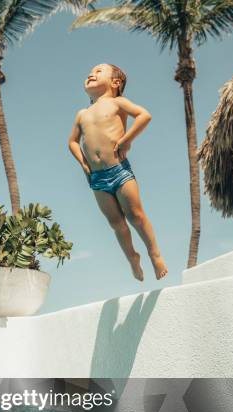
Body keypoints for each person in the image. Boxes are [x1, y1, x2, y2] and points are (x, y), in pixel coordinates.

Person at [68, 63, 168, 281]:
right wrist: (84, 164)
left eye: (98, 71)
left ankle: (154, 253)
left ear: (115, 82)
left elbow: (144, 116)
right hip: (97, 179)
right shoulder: (82, 114)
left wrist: (126, 140)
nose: (91, 74)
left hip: (120, 171)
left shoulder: (117, 102)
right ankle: (132, 257)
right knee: (116, 223)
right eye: (89, 72)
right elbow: (73, 142)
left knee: (136, 216)